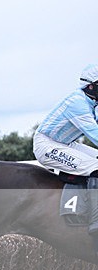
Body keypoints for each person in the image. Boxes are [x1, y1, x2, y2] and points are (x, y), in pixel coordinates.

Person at [34, 64, 98, 256]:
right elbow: (95, 135)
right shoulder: (77, 103)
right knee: (95, 166)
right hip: (47, 145)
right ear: (91, 87)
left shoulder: (92, 102)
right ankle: (96, 220)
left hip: (65, 143)